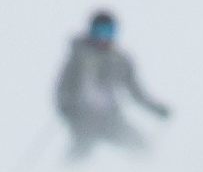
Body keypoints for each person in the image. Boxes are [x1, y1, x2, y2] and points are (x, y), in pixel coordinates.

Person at [54, 11, 170, 160]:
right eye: (99, 31)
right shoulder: (79, 57)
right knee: (79, 157)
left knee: (140, 146)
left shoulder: (119, 60)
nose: (103, 37)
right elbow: (63, 89)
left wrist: (156, 109)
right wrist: (68, 110)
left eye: (108, 32)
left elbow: (136, 92)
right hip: (84, 119)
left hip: (110, 118)